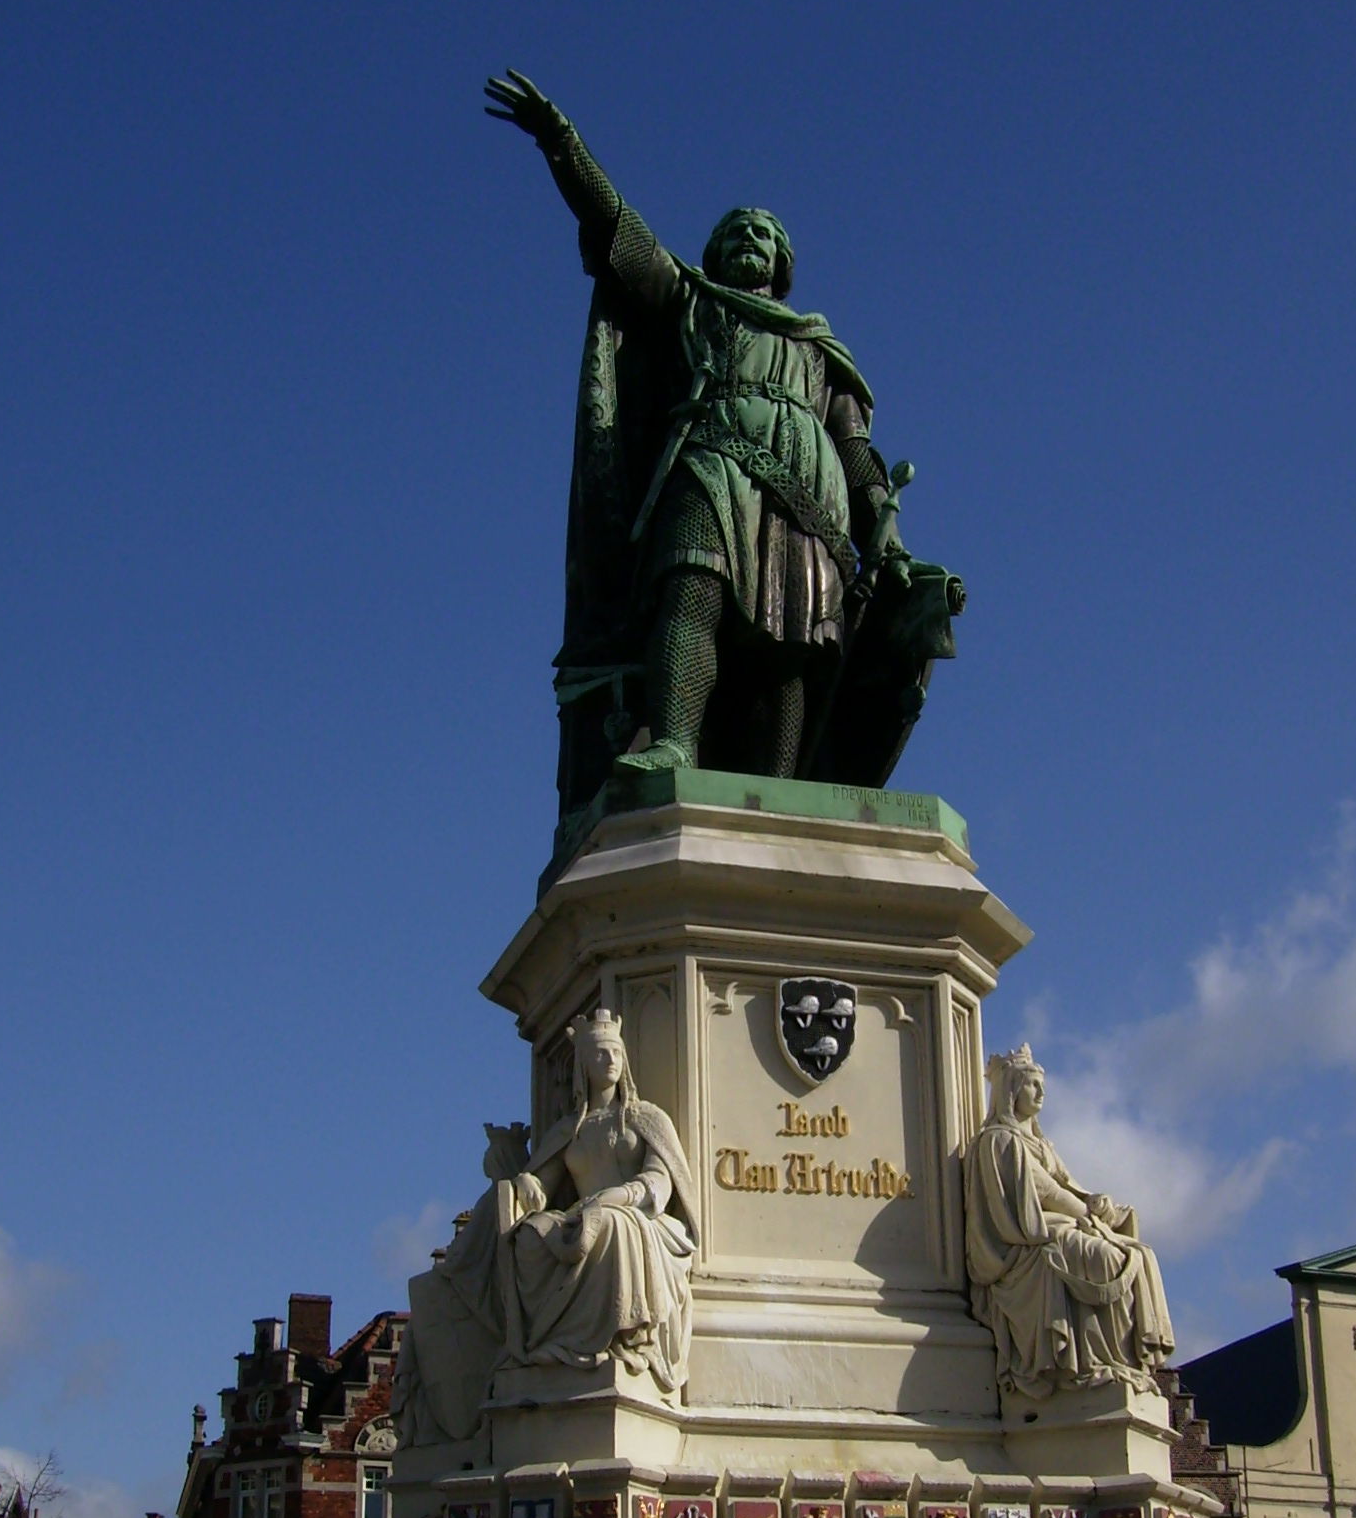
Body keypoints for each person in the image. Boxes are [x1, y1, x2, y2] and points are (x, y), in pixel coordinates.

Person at [484, 70, 958, 819]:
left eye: (763, 235)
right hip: (712, 460)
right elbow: (619, 235)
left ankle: (780, 783)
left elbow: (856, 446)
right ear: (712, 251)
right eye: (735, 232)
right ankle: (674, 739)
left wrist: (887, 538)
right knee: (690, 588)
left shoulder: (819, 347)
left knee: (794, 646)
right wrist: (562, 144)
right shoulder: (691, 303)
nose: (748, 240)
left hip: (812, 497)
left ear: (782, 262)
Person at [394, 1005, 697, 1444]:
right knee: (530, 1237)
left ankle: (622, 1340)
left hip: (636, 1217)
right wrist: (525, 1182)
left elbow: (659, 1183)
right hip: (582, 1215)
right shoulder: (569, 1130)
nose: (609, 1060)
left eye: (615, 1051)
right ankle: (550, 1353)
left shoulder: (648, 1119)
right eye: (599, 1053)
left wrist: (613, 1198)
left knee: (613, 1226)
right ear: (583, 1065)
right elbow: (544, 1179)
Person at [965, 1044, 1174, 1403]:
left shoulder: (1041, 1143)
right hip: (1028, 1240)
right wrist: (1084, 1214)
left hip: (1057, 1225)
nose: (1041, 1093)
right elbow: (1041, 1193)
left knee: (1141, 1254)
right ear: (1012, 1090)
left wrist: (1100, 1205)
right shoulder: (999, 1141)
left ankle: (1120, 1362)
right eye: (1032, 1085)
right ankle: (1092, 1361)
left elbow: (1068, 1184)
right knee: (1109, 1259)